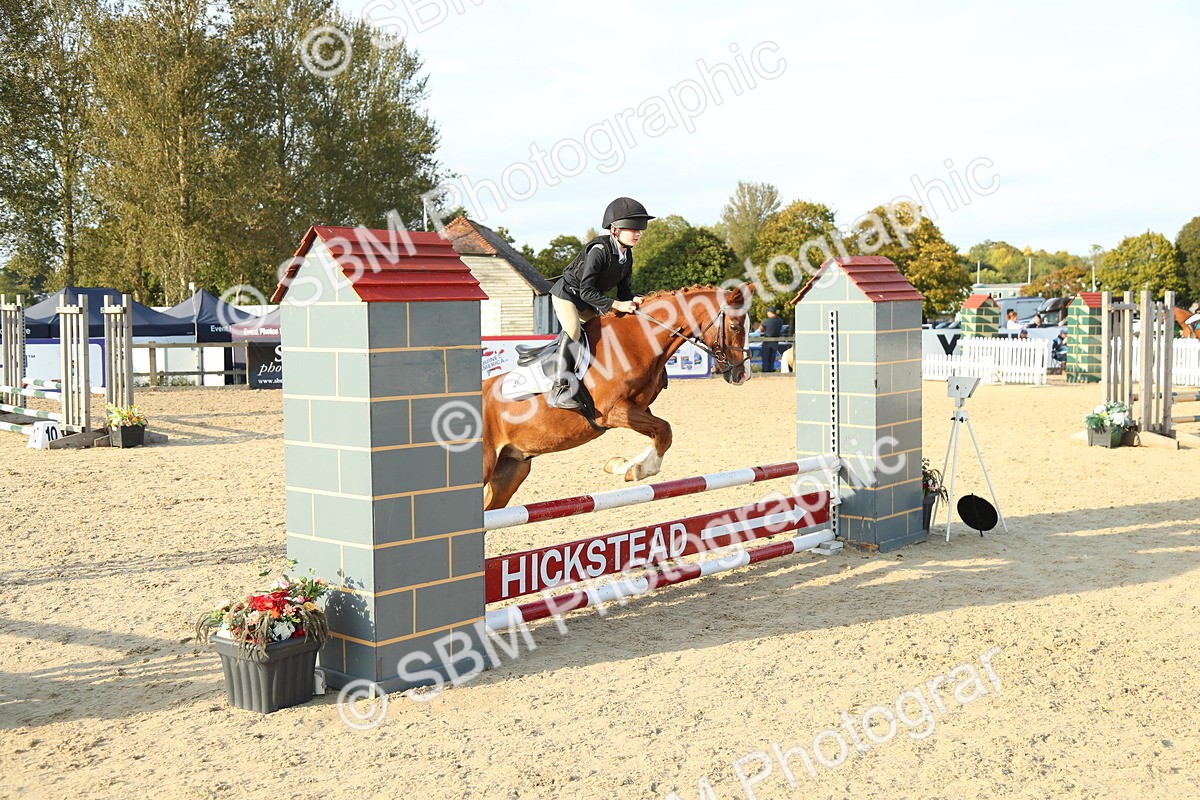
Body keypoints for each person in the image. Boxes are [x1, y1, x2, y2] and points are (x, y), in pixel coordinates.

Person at [546, 197, 654, 409]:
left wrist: (634, 299)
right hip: (567, 295)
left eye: (639, 229)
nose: (638, 233)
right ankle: (559, 388)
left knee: (604, 332)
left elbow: (624, 291)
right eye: (632, 229)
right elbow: (586, 290)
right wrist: (617, 305)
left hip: (588, 299)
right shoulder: (599, 250)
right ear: (614, 230)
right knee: (574, 329)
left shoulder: (627, 255)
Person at [758, 308, 785, 372]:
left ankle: (765, 371)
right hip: (775, 342)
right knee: (772, 358)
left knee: (765, 358)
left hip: (767, 342)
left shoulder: (767, 321)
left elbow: (761, 329)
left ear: (770, 312)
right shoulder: (780, 321)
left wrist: (765, 330)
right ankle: (771, 370)